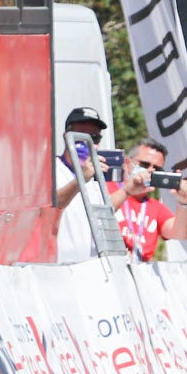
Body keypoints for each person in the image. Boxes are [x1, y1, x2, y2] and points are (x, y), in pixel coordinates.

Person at [54, 106, 125, 262]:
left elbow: (105, 216)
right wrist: (81, 179)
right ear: (66, 137)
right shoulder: (51, 168)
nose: (89, 143)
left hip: (90, 267)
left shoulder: (96, 176)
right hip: (58, 265)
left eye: (95, 138)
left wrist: (128, 190)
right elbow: (53, 204)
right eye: (82, 137)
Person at [110, 139, 187, 262]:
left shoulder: (155, 207)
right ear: (127, 163)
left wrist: (185, 202)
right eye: (144, 165)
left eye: (157, 168)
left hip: (139, 270)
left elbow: (181, 233)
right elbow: (97, 213)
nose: (150, 171)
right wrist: (127, 192)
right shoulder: (107, 188)